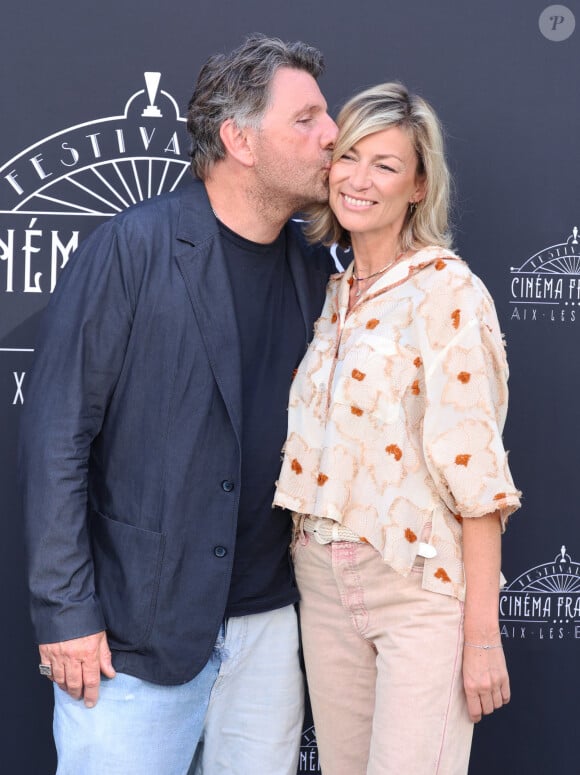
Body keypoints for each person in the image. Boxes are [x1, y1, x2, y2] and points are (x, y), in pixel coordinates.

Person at [19, 34, 338, 775]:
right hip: (135, 634)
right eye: (307, 119)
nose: (332, 135)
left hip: (268, 631)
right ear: (239, 139)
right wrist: (67, 615)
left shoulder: (318, 271)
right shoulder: (133, 248)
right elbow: (56, 436)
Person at [273, 82, 521, 775]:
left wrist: (480, 639)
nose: (358, 178)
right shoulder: (331, 295)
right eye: (348, 156)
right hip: (322, 585)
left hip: (415, 589)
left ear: (417, 185)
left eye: (385, 164)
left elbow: (477, 479)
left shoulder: (447, 290)